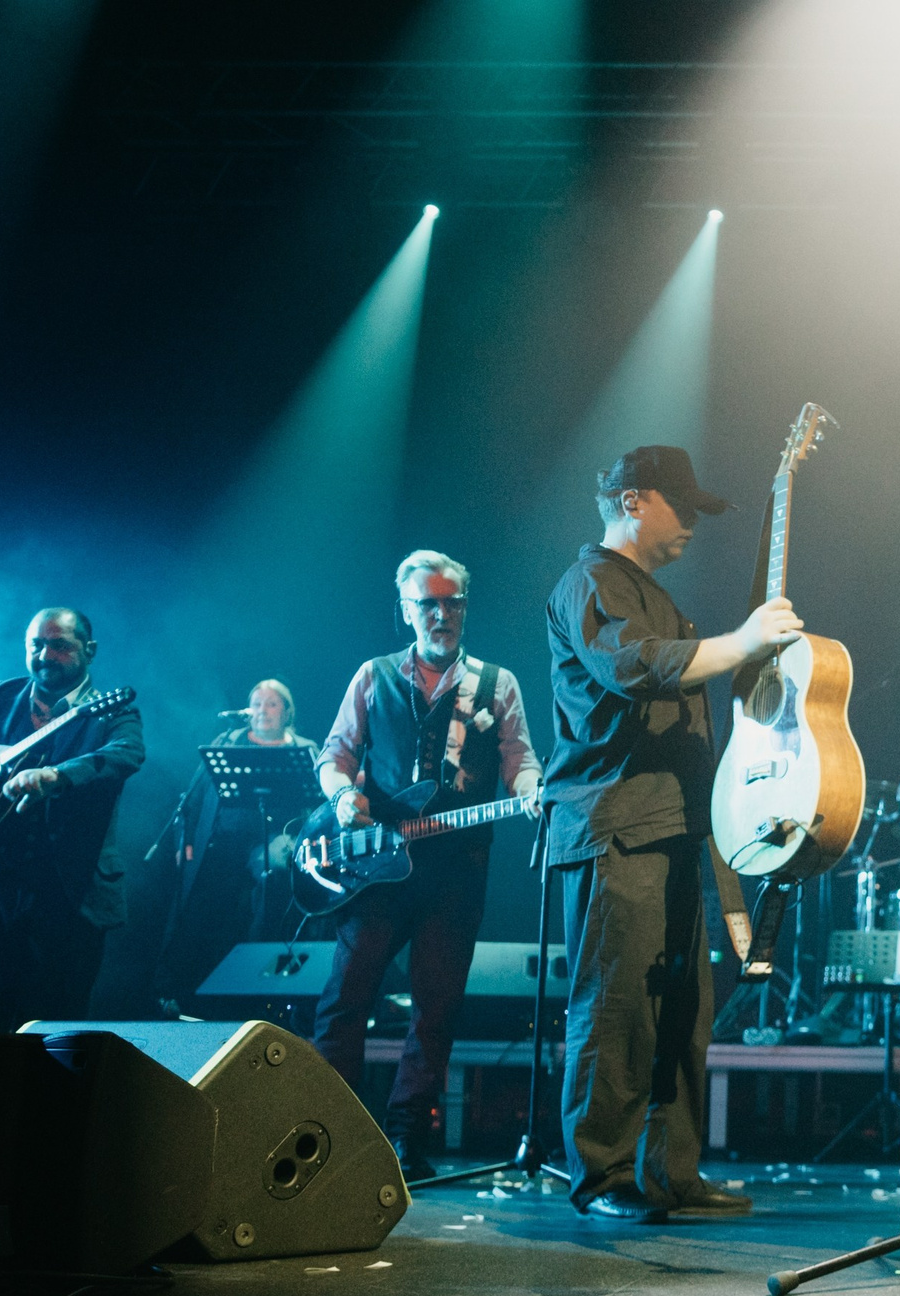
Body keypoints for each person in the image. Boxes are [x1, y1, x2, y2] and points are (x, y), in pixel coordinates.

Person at [545, 446, 802, 1223]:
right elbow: (633, 667)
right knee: (618, 1007)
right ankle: (602, 1176)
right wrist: (741, 643)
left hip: (680, 827)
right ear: (633, 500)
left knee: (685, 1008)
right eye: (680, 506)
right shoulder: (591, 582)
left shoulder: (657, 597)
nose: (692, 522)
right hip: (616, 826)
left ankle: (671, 1171)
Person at [311, 551, 540, 1178]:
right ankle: (328, 1135)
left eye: (452, 602)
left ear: (465, 607)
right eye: (428, 604)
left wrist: (530, 791)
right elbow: (335, 753)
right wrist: (342, 796)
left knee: (436, 1009)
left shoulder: (498, 684)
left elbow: (520, 759)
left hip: (457, 866)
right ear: (406, 610)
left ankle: (405, 1142)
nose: (441, 614)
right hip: (378, 866)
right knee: (344, 997)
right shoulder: (373, 675)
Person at [0, 607, 146, 1030]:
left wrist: (57, 776)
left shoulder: (113, 712)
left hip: (64, 898)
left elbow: (124, 755)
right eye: (35, 645)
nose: (44, 655)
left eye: (59, 645)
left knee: (48, 1033)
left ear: (90, 650)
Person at [149, 679, 319, 1008]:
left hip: (277, 845)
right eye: (256, 703)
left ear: (287, 712)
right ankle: (189, 994)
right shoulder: (229, 740)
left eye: (271, 704)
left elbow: (316, 805)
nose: (262, 710)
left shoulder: (305, 748)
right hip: (223, 843)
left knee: (266, 910)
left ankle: (260, 994)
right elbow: (195, 795)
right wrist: (186, 840)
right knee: (207, 914)